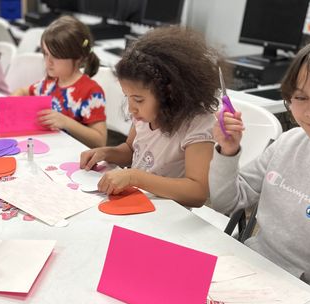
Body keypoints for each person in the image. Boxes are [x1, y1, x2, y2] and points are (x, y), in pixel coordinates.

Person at [209, 36, 310, 293]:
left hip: (309, 296)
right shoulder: (288, 142)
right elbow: (226, 201)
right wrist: (228, 151)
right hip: (251, 266)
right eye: (301, 97)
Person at [80, 26, 220, 207]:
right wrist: (107, 153)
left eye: (138, 100)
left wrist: (134, 177)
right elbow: (131, 150)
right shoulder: (145, 116)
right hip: (137, 204)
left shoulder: (197, 125)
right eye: (127, 97)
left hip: (169, 215)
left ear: (169, 92)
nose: (131, 108)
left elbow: (197, 192)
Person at [13, 15, 107, 148]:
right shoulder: (50, 83)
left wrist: (66, 122)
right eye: (45, 54)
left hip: (74, 157)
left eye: (56, 56)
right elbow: (23, 91)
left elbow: (100, 141)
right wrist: (14, 99)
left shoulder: (91, 91)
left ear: (78, 58)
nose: (48, 61)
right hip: (50, 149)